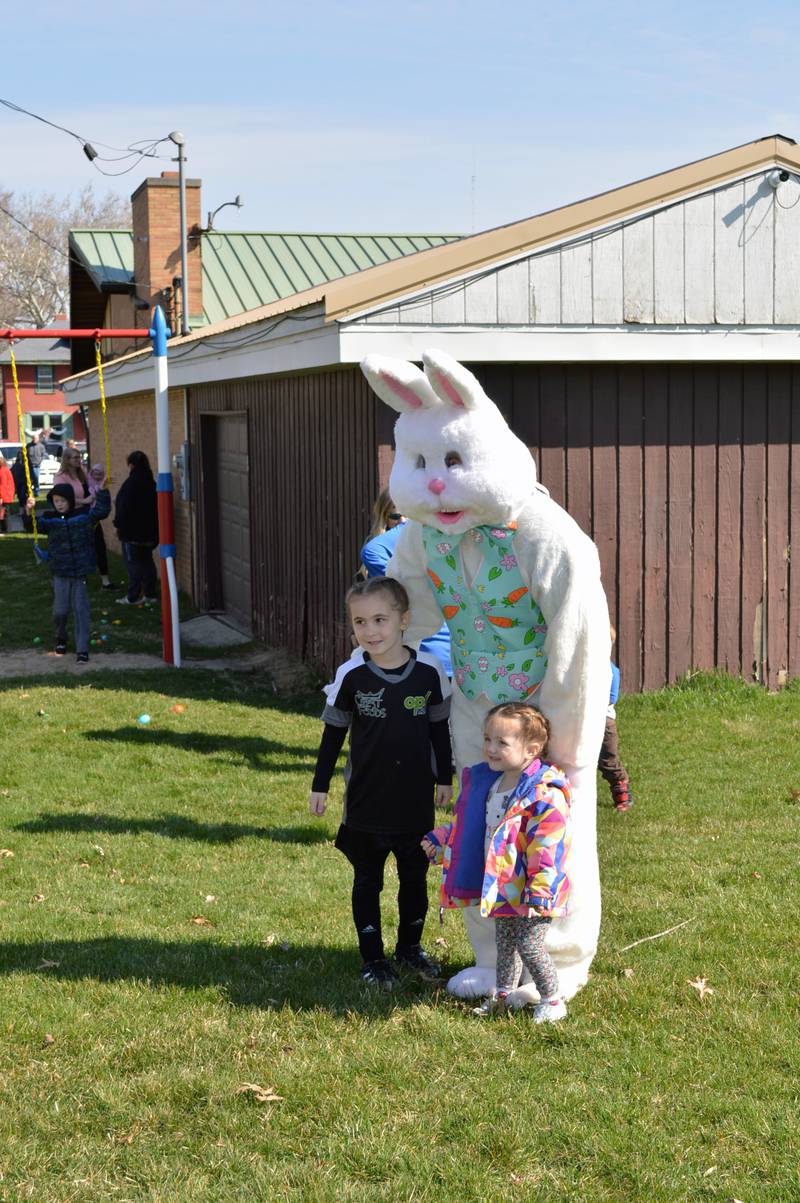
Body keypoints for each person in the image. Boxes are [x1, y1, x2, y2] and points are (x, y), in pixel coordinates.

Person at [309, 576, 454, 990]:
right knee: (367, 880)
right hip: (366, 803)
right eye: (360, 622)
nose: (370, 631)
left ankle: (409, 948)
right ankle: (372, 958)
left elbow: (439, 730)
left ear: (403, 619)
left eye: (379, 619)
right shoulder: (351, 675)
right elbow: (333, 734)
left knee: (414, 878)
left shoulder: (429, 671)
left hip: (414, 803)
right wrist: (320, 786)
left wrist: (444, 776)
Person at [423, 702, 572, 1023]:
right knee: (505, 945)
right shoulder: (490, 783)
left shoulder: (543, 792)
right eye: (487, 739)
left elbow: (548, 844)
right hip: (504, 885)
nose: (490, 749)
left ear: (532, 749)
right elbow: (474, 825)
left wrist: (541, 889)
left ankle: (553, 999)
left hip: (533, 888)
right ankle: (503, 994)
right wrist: (441, 836)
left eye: (501, 743)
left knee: (530, 945)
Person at [360, 490, 452, 677]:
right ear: (384, 518)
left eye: (407, 515)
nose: (403, 521)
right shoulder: (384, 551)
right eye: (396, 516)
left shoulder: (380, 547)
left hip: (436, 649)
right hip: (435, 649)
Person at [26, 480, 110, 662]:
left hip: (80, 572)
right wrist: (29, 510)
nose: (60, 504)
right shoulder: (50, 519)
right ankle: (61, 638)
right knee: (60, 611)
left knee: (81, 609)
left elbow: (101, 512)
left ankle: (82, 649)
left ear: (71, 501)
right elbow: (32, 525)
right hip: (60, 572)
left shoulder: (83, 516)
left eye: (63, 501)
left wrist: (102, 492)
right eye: (56, 501)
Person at [113, 451, 159, 606]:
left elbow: (122, 506)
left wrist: (118, 525)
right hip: (150, 532)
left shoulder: (130, 483)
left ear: (131, 464)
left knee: (133, 564)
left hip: (131, 532)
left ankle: (133, 596)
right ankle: (150, 594)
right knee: (147, 562)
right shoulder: (151, 482)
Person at [598, 626, 633, 812]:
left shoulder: (611, 670)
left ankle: (621, 791)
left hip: (604, 720)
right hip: (580, 718)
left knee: (607, 759)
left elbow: (612, 698)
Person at [86, 463, 115, 590]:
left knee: (100, 548)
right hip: (88, 517)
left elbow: (104, 506)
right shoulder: (88, 484)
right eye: (95, 473)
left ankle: (105, 580)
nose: (97, 476)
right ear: (91, 474)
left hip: (95, 519)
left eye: (100, 474)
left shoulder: (102, 485)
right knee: (86, 549)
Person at [25, 431, 46, 496]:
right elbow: (25, 454)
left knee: (36, 478)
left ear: (38, 439)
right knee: (29, 479)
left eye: (36, 438)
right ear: (32, 438)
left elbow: (43, 455)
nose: (35, 439)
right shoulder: (28, 445)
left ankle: (36, 492)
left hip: (37, 465)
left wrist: (40, 461)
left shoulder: (41, 446)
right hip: (29, 465)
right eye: (34, 438)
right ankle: (29, 492)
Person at [0, 456, 14, 534]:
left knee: (4, 514)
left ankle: (5, 530)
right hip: (7, 495)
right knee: (5, 513)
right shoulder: (5, 469)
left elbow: (3, 485)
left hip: (5, 495)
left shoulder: (2, 471)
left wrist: (1, 497)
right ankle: (6, 530)